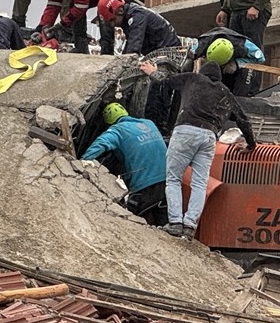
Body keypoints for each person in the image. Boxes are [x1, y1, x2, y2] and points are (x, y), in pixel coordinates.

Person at [140, 58, 257, 239]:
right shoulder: (224, 92)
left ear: (203, 72)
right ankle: (189, 225)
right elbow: (243, 119)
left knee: (173, 178)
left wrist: (151, 71)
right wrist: (251, 143)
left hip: (185, 130)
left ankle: (175, 223)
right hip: (210, 137)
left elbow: (166, 80)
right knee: (200, 183)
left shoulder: (193, 78)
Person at [81, 102, 168, 225]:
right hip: (168, 183)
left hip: (144, 185)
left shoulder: (117, 130)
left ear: (109, 122)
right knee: (164, 226)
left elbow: (101, 143)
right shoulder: (149, 123)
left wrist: (83, 160)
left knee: (131, 223)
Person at [96, 0, 181, 56]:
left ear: (120, 11)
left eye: (112, 20)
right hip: (162, 52)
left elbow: (133, 49)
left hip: (170, 53)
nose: (113, 25)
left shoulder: (137, 16)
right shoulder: (129, 16)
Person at [194, 30, 266, 96]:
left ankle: (240, 98)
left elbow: (260, 58)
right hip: (219, 71)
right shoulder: (200, 45)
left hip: (238, 72)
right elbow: (188, 55)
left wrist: (237, 63)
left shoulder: (243, 44)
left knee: (246, 71)